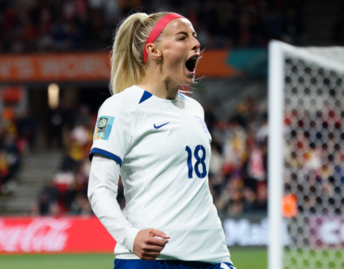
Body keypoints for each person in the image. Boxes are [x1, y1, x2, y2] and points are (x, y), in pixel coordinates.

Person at [87, 12, 234, 269]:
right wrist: (130, 237)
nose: (196, 43)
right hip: (152, 259)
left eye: (195, 36)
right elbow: (99, 189)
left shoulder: (195, 109)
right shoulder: (120, 107)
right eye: (182, 37)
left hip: (211, 254)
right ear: (154, 51)